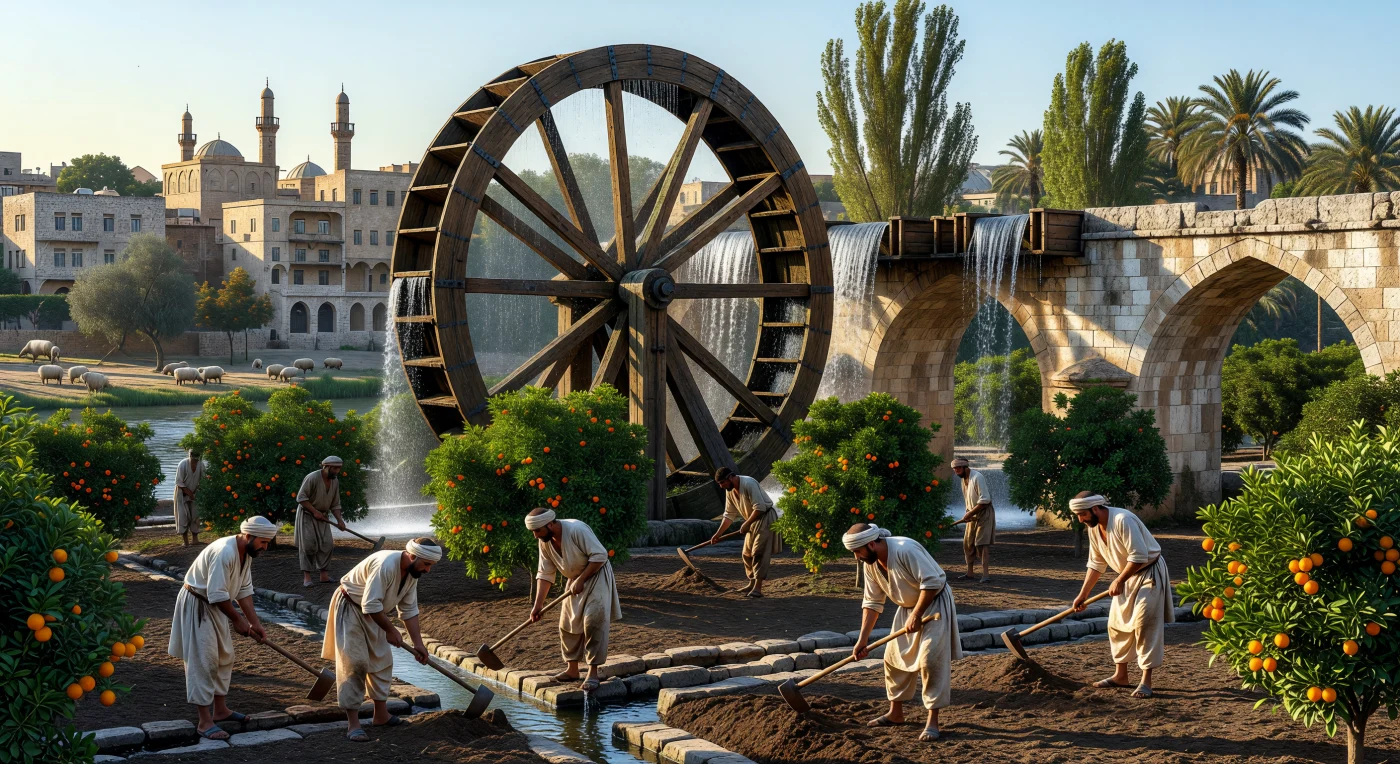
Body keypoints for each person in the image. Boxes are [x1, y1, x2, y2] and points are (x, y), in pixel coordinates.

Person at [844, 523, 961, 742]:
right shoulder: (870, 563)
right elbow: (872, 603)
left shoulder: (906, 548)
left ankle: (932, 721)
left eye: (858, 552)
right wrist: (862, 639)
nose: (857, 558)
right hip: (907, 609)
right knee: (892, 658)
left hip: (934, 605)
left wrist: (917, 615)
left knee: (930, 661)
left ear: (871, 543)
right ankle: (895, 713)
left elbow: (932, 582)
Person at [167, 516, 274, 741]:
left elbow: (244, 590)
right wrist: (237, 620)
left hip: (215, 605)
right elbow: (216, 595)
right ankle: (205, 722)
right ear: (248, 536)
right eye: (263, 542)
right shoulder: (224, 552)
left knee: (225, 656)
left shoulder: (247, 554)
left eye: (267, 543)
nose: (265, 548)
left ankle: (221, 710)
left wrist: (255, 623)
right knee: (203, 660)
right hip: (198, 603)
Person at [322, 538, 439, 742]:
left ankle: (381, 715)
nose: (428, 570)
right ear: (412, 556)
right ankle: (353, 724)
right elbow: (370, 603)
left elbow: (409, 611)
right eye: (427, 564)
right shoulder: (385, 565)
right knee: (354, 663)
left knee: (382, 661)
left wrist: (418, 643)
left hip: (375, 613)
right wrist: (390, 630)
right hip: (351, 607)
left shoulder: (413, 573)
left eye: (430, 565)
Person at [1069, 491, 1174, 698]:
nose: (1080, 519)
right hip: (1126, 577)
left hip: (1148, 574)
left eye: (1082, 514)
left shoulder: (1122, 519)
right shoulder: (1094, 529)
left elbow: (1139, 556)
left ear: (1095, 508)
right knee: (1115, 625)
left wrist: (1119, 580)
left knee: (1144, 624)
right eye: (1078, 515)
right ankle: (1121, 676)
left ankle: (1146, 681)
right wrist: (1083, 594)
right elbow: (1096, 564)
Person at [525, 507, 622, 692]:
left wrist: (582, 579)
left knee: (593, 621)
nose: (535, 536)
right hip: (575, 581)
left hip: (596, 575)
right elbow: (545, 574)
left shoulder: (577, 529)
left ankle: (592, 672)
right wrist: (537, 606)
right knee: (567, 624)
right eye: (533, 532)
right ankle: (572, 670)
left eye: (537, 531)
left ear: (550, 524)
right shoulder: (545, 542)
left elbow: (600, 555)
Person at [712, 466, 781, 598]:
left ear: (731, 477)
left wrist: (746, 523)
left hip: (765, 517)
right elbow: (729, 515)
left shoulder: (748, 483)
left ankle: (758, 588)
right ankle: (751, 583)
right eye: (719, 484)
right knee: (747, 553)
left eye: (722, 482)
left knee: (758, 552)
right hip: (752, 520)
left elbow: (760, 507)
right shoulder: (730, 491)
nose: (721, 486)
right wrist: (718, 534)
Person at [295, 455, 347, 587]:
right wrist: (314, 511)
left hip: (323, 517)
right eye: (335, 468)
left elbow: (335, 504)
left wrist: (340, 520)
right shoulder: (312, 477)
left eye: (339, 469)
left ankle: (324, 575)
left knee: (327, 544)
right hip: (307, 515)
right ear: (327, 467)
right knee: (308, 545)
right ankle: (307, 578)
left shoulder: (335, 481)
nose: (337, 471)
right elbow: (301, 498)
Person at [950, 457, 994, 582]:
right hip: (972, 514)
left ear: (965, 467)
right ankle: (970, 573)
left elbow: (985, 501)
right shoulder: (963, 479)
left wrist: (970, 513)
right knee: (968, 544)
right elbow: (968, 500)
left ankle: (985, 575)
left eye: (958, 469)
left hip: (984, 513)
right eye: (954, 469)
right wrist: (967, 513)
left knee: (981, 544)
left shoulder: (977, 477)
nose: (956, 471)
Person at [174, 448, 206, 546]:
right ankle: (185, 541)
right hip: (181, 494)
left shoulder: (201, 465)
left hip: (195, 493)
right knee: (183, 516)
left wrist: (197, 491)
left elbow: (204, 480)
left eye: (197, 459)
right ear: (190, 456)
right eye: (193, 458)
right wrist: (189, 493)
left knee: (195, 515)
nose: (195, 461)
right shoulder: (183, 464)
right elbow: (178, 481)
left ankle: (195, 540)